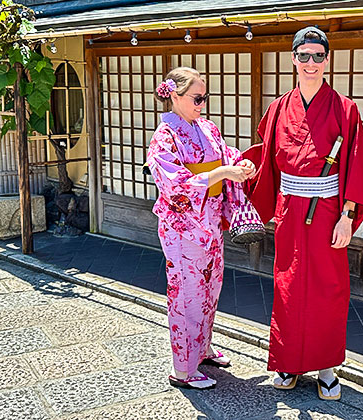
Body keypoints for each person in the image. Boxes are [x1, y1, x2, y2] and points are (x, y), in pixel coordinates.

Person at [243, 27, 363, 400]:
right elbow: (267, 157)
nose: (311, 64)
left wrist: (348, 216)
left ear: (327, 60)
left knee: (328, 289)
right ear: (293, 59)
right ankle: (288, 362)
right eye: (304, 56)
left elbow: (358, 165)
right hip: (290, 210)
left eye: (318, 56)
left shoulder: (345, 109)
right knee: (287, 286)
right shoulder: (278, 108)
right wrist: (242, 173)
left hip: (329, 211)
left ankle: (327, 368)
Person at [146, 67, 256, 390]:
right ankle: (183, 368)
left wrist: (241, 164)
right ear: (175, 96)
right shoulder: (164, 136)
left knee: (210, 290)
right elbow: (174, 183)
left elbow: (226, 156)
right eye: (197, 98)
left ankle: (202, 349)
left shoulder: (206, 128)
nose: (202, 104)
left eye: (204, 97)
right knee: (186, 295)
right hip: (182, 227)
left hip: (209, 223)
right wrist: (222, 172)